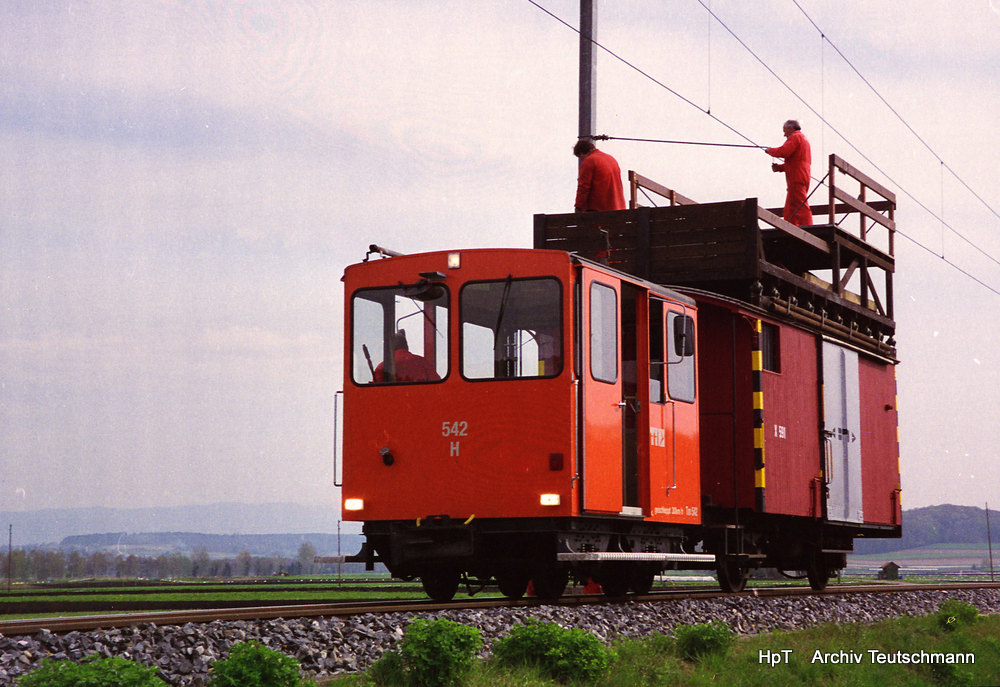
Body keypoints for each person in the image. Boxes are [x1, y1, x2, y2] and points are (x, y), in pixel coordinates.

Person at [765, 120, 813, 226]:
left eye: (784, 131)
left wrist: (771, 151)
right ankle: (790, 226)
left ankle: (808, 227)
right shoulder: (803, 139)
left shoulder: (795, 137)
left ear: (790, 128)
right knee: (791, 206)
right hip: (802, 175)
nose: (784, 134)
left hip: (796, 177)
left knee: (800, 205)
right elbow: (796, 161)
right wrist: (780, 168)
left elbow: (784, 151)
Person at [573, 139, 626, 212]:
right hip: (618, 208)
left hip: (598, 209)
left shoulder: (589, 161)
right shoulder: (611, 159)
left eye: (581, 158)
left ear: (581, 153)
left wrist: (578, 206)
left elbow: (584, 186)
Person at [373, 331, 440, 382]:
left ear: (389, 349)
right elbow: (437, 384)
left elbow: (374, 391)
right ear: (406, 346)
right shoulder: (423, 363)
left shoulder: (382, 367)